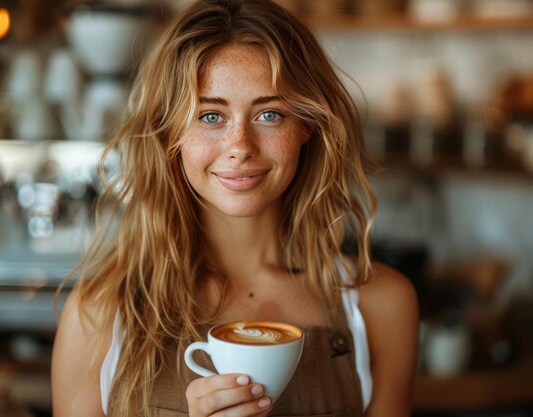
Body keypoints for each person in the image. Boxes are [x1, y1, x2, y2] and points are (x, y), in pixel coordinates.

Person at [51, 0, 419, 416]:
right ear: (168, 129)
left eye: (269, 114)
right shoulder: (101, 313)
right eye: (210, 116)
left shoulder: (381, 306)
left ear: (308, 125)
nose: (240, 147)